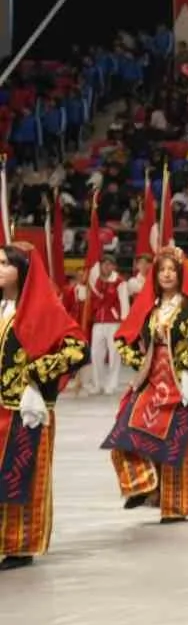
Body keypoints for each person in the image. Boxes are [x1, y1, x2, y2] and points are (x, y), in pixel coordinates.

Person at [102, 247, 188, 524]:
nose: (167, 274)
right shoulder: (148, 310)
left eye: (172, 269)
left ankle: (176, 505)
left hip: (183, 385)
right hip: (152, 383)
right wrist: (140, 362)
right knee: (125, 433)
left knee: (179, 445)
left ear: (181, 273)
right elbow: (121, 340)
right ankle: (144, 484)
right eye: (162, 270)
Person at [0, 244, 89, 569]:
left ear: (22, 271)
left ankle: (19, 545)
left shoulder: (43, 310)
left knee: (22, 474)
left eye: (5, 264)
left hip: (25, 410)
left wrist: (37, 377)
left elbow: (78, 350)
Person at [86, 253, 128, 396]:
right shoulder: (95, 281)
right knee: (96, 354)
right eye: (104, 264)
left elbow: (124, 302)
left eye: (109, 264)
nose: (106, 266)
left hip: (114, 322)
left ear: (114, 266)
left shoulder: (119, 282)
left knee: (114, 354)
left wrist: (124, 321)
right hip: (98, 322)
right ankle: (98, 384)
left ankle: (111, 384)